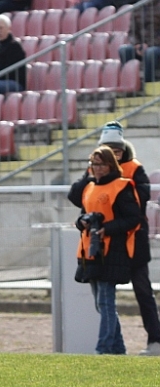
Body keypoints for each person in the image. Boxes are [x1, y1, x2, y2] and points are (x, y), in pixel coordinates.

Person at [71, 124, 160, 355]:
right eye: (108, 149)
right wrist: (94, 174)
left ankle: (155, 340)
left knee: (142, 291)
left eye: (116, 150)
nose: (113, 153)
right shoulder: (95, 172)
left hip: (133, 240)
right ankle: (116, 347)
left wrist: (114, 184)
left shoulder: (134, 169)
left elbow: (138, 204)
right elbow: (77, 196)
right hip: (107, 245)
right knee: (104, 300)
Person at [68, 146, 141, 355]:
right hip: (90, 251)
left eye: (101, 164)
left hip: (112, 250)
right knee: (101, 304)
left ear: (110, 165)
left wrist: (106, 229)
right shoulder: (90, 187)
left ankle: (104, 348)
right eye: (94, 164)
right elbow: (80, 208)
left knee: (105, 301)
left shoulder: (122, 186)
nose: (97, 168)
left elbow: (133, 218)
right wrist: (81, 222)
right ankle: (117, 349)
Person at [120, 2, 160, 84]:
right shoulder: (138, 8)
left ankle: (148, 84)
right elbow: (132, 32)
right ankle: (130, 84)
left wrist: (149, 45)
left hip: (156, 45)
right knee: (124, 50)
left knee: (151, 52)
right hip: (142, 45)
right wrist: (137, 44)